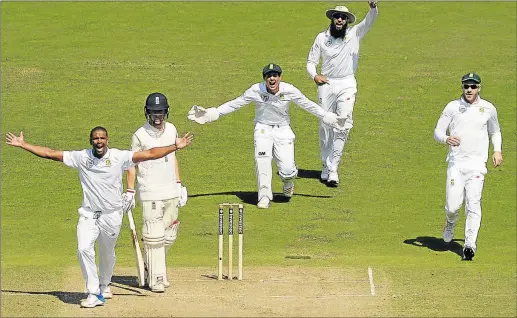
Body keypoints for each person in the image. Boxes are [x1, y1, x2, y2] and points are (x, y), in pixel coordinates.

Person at [5, 127, 193, 307]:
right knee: (83, 248)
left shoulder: (119, 157)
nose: (99, 141)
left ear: (107, 140)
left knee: (106, 254)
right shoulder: (81, 157)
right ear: (91, 141)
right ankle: (93, 292)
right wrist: (24, 144)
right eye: (96, 138)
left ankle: (105, 284)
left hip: (112, 215)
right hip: (88, 214)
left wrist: (174, 147)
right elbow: (50, 153)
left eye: (102, 138)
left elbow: (149, 154)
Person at [187, 63, 347, 209]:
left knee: (287, 170)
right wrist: (211, 113)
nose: (272, 78)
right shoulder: (256, 90)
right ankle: (264, 196)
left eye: (275, 75)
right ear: (265, 79)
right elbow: (235, 103)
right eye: (269, 76)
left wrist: (330, 118)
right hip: (263, 129)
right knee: (262, 160)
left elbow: (309, 105)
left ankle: (288, 181)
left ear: (280, 77)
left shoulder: (289, 90)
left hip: (283, 130)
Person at [307, 1, 379, 187]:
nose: (339, 20)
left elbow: (369, 21)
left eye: (343, 18)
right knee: (325, 125)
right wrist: (314, 75)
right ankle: (325, 164)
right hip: (327, 84)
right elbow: (311, 61)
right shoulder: (322, 38)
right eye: (337, 17)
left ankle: (333, 168)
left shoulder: (354, 33)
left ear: (347, 20)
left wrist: (373, 8)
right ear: (332, 18)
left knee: (343, 123)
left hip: (347, 83)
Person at [122, 92, 188, 293]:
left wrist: (179, 183)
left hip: (170, 189)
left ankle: (151, 264)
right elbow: (131, 164)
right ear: (147, 113)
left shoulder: (172, 129)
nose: (157, 116)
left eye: (160, 112)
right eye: (153, 113)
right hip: (150, 190)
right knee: (154, 235)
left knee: (170, 233)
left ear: (166, 112)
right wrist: (131, 191)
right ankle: (157, 279)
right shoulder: (139, 135)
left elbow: (173, 157)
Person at [433, 73, 503, 261]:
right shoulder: (452, 107)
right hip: (456, 164)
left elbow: (495, 131)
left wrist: (497, 151)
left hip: (477, 165)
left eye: (473, 86)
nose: (469, 90)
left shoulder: (488, 109)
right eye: (466, 86)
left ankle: (470, 245)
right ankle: (450, 223)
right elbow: (437, 131)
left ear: (479, 88)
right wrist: (446, 138)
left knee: (473, 203)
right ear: (462, 87)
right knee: (453, 206)